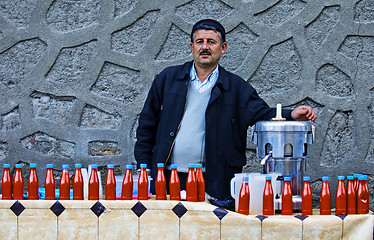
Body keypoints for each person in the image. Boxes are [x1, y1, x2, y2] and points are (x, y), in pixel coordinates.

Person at [134, 19, 316, 205]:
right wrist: (144, 168)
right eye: (200, 42)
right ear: (192, 47)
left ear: (223, 48)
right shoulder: (168, 79)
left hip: (214, 180)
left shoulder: (236, 87)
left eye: (211, 42)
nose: (205, 47)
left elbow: (261, 113)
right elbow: (146, 126)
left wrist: (290, 115)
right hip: (167, 177)